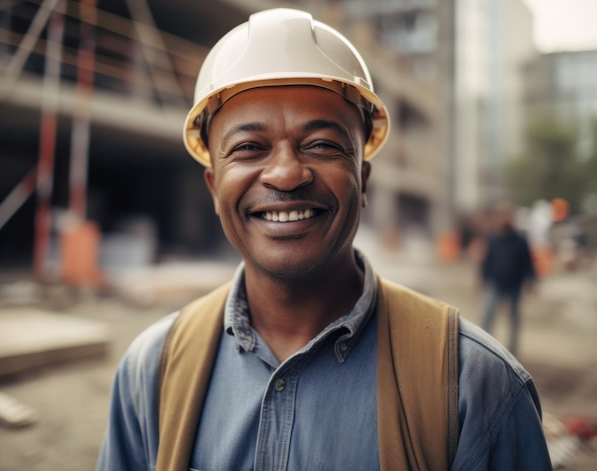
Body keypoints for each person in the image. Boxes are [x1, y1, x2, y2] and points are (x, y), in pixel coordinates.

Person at [96, 8, 552, 470]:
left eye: (321, 145)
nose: (286, 174)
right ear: (215, 188)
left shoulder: (476, 388)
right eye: (249, 148)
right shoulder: (150, 372)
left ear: (363, 178)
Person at [480, 201, 537, 355]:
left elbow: (528, 262)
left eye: (508, 216)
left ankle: (513, 349)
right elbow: (487, 260)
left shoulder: (520, 240)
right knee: (488, 313)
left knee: (514, 317)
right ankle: (484, 344)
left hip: (514, 284)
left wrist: (531, 279)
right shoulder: (493, 239)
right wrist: (483, 277)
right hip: (496, 282)